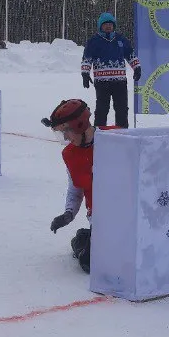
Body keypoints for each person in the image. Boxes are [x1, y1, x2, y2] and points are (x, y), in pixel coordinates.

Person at [43, 98, 119, 273]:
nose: (66, 138)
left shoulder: (118, 139)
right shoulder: (70, 154)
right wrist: (68, 214)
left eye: (65, 132)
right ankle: (84, 239)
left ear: (78, 125)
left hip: (125, 214)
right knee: (91, 264)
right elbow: (75, 187)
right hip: (100, 218)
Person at [81, 12, 141, 128]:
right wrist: (85, 73)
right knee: (102, 109)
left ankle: (123, 133)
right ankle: (100, 133)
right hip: (102, 82)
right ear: (100, 26)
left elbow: (130, 55)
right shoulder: (94, 41)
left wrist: (137, 67)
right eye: (105, 24)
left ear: (114, 26)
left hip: (120, 82)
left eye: (110, 24)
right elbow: (87, 59)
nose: (108, 26)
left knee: (122, 108)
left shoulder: (121, 39)